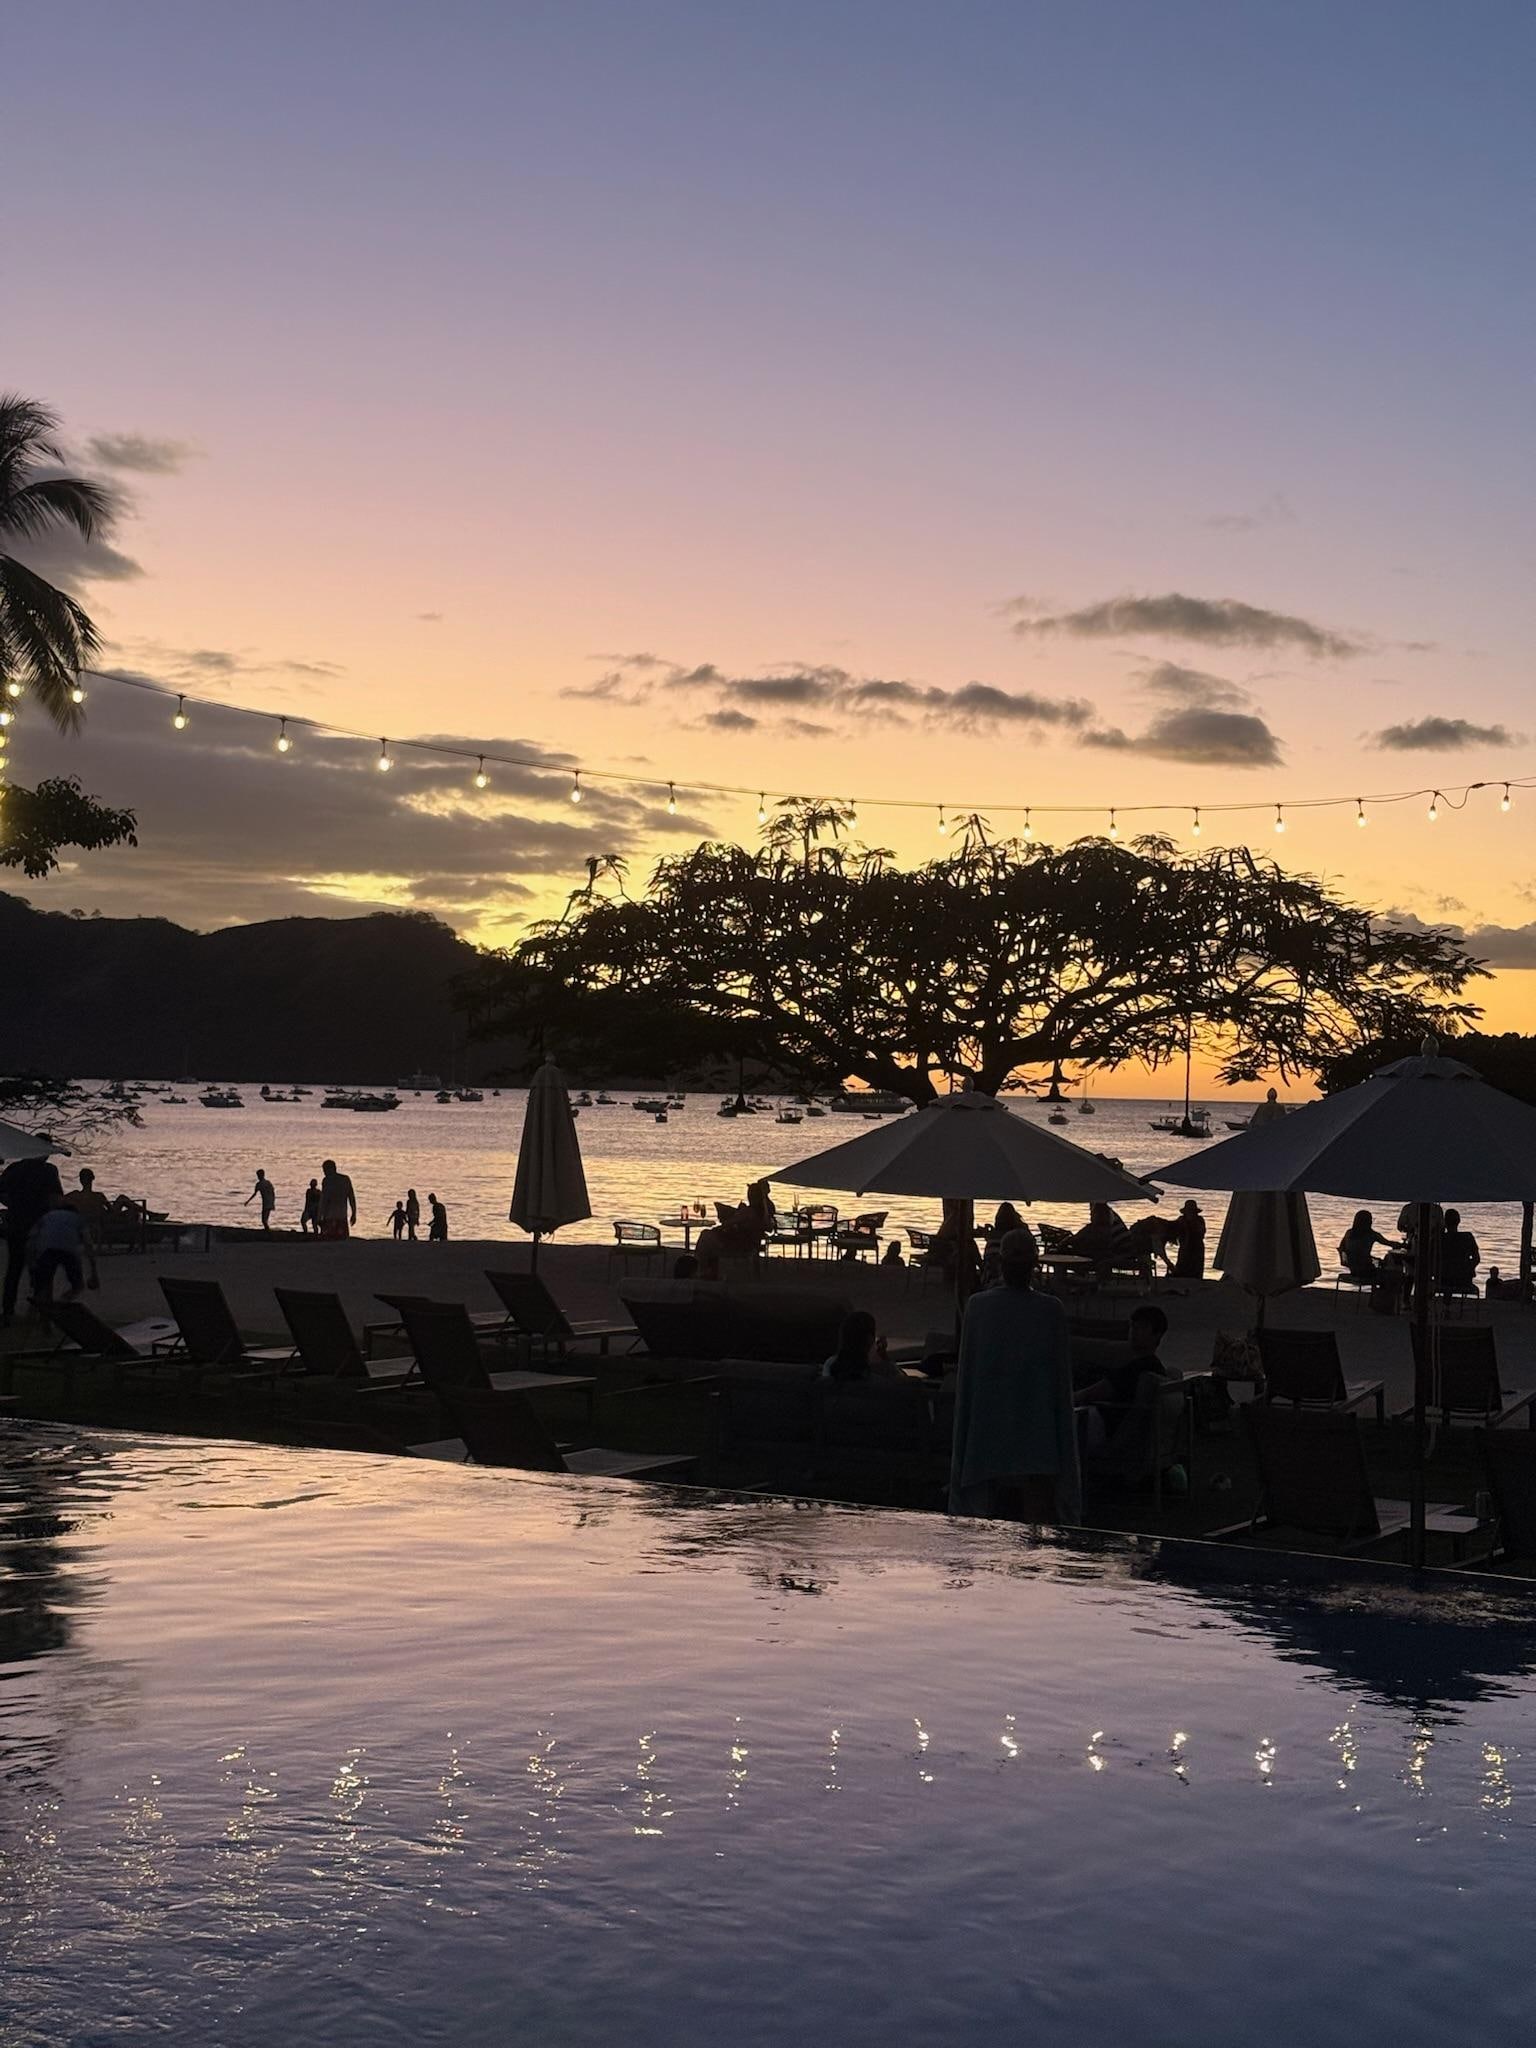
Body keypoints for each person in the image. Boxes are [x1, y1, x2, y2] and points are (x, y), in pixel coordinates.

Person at [949, 1229, 1080, 1523]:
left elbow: (969, 1378)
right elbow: (1060, 1383)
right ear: (1034, 1265)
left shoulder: (979, 1307)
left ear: (1000, 1264)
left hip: (990, 1434)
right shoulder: (1049, 1310)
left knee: (990, 1523)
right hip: (1036, 1436)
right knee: (1035, 1524)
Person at [1075, 1303, 1169, 1451]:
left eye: (1142, 1327)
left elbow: (1089, 1394)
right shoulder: (1153, 1368)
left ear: (1157, 1335)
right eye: (1133, 1326)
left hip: (1104, 1426)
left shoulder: (1138, 1369)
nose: (1134, 1332)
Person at [0, 1152, 64, 1324]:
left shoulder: (14, 1169)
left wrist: (12, 1203)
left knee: (14, 1269)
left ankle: (8, 1311)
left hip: (16, 1225)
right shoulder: (48, 1171)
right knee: (40, 1271)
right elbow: (56, 1199)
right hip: (39, 1226)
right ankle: (40, 1311)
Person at [29, 1200, 85, 1308]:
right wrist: (93, 1270)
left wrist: (32, 1262)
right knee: (78, 1285)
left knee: (43, 1286)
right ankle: (62, 1301)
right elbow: (88, 1242)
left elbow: (31, 1239)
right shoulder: (78, 1218)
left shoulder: (47, 1216)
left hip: (46, 1250)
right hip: (68, 1250)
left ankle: (39, 1312)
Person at [63, 1166, 110, 1289]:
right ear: (92, 1179)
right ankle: (148, 1214)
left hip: (84, 1224)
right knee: (123, 1200)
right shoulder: (98, 1196)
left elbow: (61, 1202)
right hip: (97, 1223)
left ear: (80, 1181)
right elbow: (110, 1211)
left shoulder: (74, 1196)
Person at [823, 1309, 892, 1382]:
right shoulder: (878, 1374)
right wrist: (885, 1358)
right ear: (870, 1339)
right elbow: (901, 1383)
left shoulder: (830, 1365)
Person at [1338, 1209, 1395, 1279]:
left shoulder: (1349, 1233)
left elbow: (1341, 1248)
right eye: (1370, 1219)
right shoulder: (1371, 1234)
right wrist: (1402, 1245)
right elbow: (1388, 1243)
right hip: (1366, 1270)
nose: (1371, 1221)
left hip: (1353, 1270)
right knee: (1393, 1274)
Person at [1440, 1209, 1480, 1294]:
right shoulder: (1468, 1237)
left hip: (1443, 1280)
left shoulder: (1440, 1239)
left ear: (1445, 1222)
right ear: (1459, 1221)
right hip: (1464, 1280)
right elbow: (1476, 1258)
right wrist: (1467, 1268)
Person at [317, 1159, 357, 1241]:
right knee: (341, 1240)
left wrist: (319, 1216)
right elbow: (351, 1197)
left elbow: (324, 1201)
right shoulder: (345, 1179)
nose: (324, 1172)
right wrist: (354, 1213)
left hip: (330, 1217)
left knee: (328, 1240)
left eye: (325, 1170)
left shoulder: (327, 1181)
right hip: (341, 1216)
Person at [1170, 1200, 1206, 1281]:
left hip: (1197, 1248)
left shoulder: (1199, 1220)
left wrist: (1192, 1223)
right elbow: (1174, 1232)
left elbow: (1202, 1232)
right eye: (1189, 1211)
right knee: (1182, 1266)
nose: (1190, 1213)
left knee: (1196, 1268)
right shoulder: (1181, 1220)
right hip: (1185, 1247)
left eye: (1191, 1211)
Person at [244, 1168, 277, 1232]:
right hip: (268, 1202)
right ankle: (267, 1230)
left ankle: (268, 1232)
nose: (258, 1177)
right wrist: (248, 1201)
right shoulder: (265, 1183)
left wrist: (247, 1201)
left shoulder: (262, 1184)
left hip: (267, 1203)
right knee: (264, 1220)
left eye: (258, 1175)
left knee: (264, 1220)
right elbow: (272, 1192)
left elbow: (272, 1192)